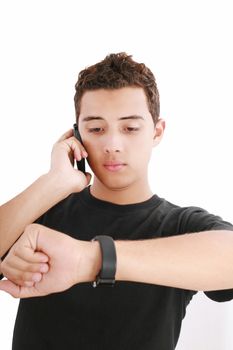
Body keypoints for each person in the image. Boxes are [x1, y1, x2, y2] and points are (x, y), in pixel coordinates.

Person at [1, 52, 233, 350]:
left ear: (157, 132)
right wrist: (54, 182)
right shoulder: (42, 212)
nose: (112, 145)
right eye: (96, 129)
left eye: (130, 128)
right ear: (76, 135)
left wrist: (90, 259)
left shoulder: (180, 226)